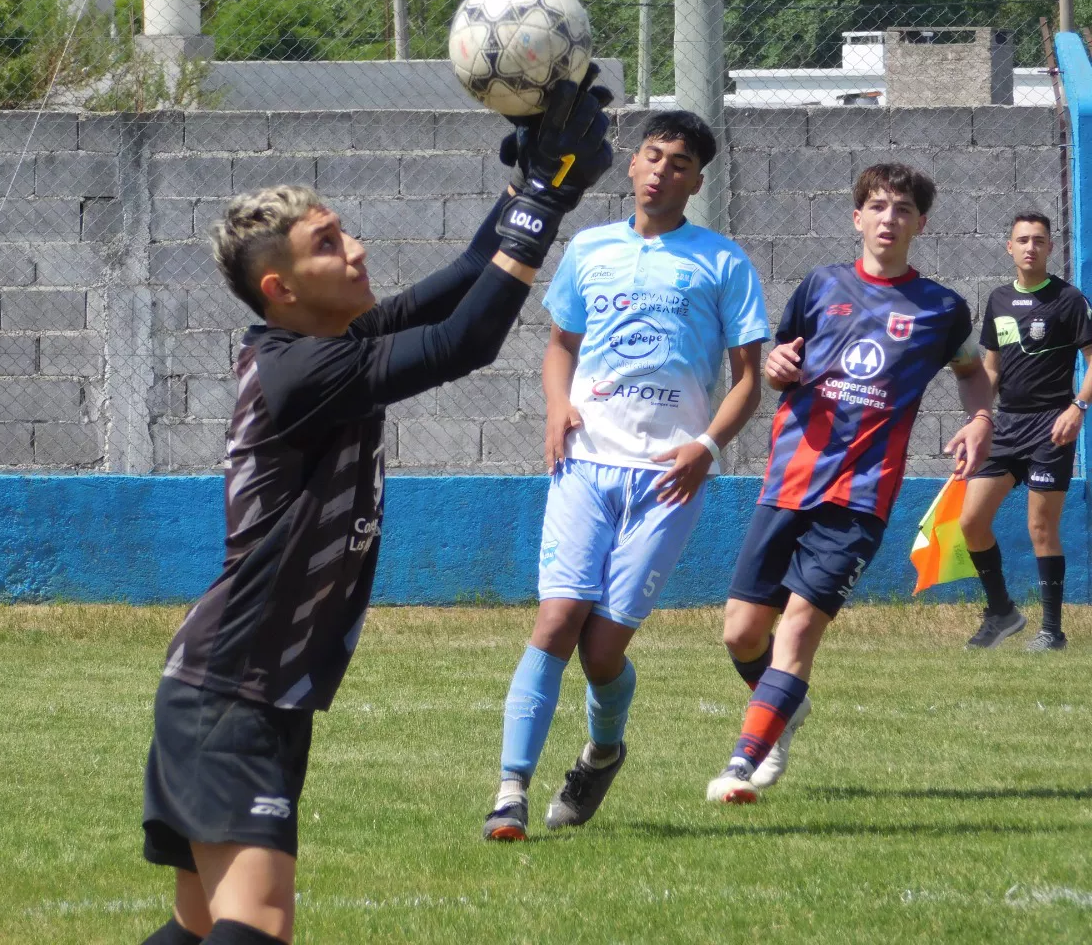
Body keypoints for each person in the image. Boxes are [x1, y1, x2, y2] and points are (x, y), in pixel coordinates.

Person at [137, 75, 614, 945]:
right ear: (280, 287)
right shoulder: (298, 370)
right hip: (236, 688)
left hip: (239, 686)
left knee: (202, 925)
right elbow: (462, 341)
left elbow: (466, 280)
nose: (356, 250)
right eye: (329, 245)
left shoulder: (322, 342)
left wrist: (542, 187)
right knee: (258, 923)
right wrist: (542, 202)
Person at [482, 110, 771, 841]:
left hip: (667, 478)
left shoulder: (723, 262)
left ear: (695, 180)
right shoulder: (589, 248)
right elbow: (558, 345)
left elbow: (748, 380)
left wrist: (705, 445)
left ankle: (603, 751)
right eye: (650, 155)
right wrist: (556, 409)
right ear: (633, 163)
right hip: (583, 464)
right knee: (556, 620)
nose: (659, 171)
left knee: (603, 651)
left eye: (677, 162)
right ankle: (509, 792)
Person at [707, 163, 995, 805]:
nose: (889, 218)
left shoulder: (942, 309)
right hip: (788, 480)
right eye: (878, 205)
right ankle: (782, 708)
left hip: (863, 495)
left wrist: (979, 418)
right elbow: (785, 357)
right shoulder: (820, 286)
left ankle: (743, 761)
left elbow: (972, 371)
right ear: (857, 216)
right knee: (741, 632)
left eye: (903, 209)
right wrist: (781, 364)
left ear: (921, 223)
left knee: (800, 627)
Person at [959, 211, 1092, 652]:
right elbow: (990, 370)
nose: (1030, 247)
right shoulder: (997, 300)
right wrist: (978, 420)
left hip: (1052, 425)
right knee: (972, 521)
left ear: (1050, 247)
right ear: (1009, 248)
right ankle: (1002, 612)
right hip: (1005, 427)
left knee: (1041, 526)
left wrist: (1078, 407)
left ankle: (1052, 632)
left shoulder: (1070, 300)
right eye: (1022, 240)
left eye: (1039, 240)